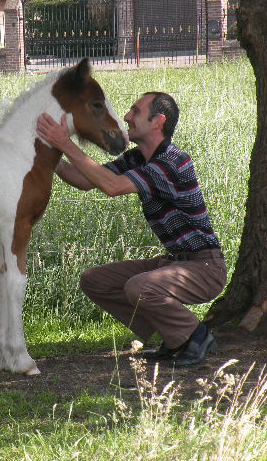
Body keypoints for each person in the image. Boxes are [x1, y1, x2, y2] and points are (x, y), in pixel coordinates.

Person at [36, 92, 226, 367]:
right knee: (95, 280)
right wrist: (49, 148)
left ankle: (197, 335)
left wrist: (65, 144)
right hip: (173, 263)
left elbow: (112, 187)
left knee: (140, 287)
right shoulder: (138, 158)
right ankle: (175, 338)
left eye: (135, 111)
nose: (126, 117)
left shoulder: (172, 162)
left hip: (205, 267)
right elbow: (83, 179)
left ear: (158, 121)